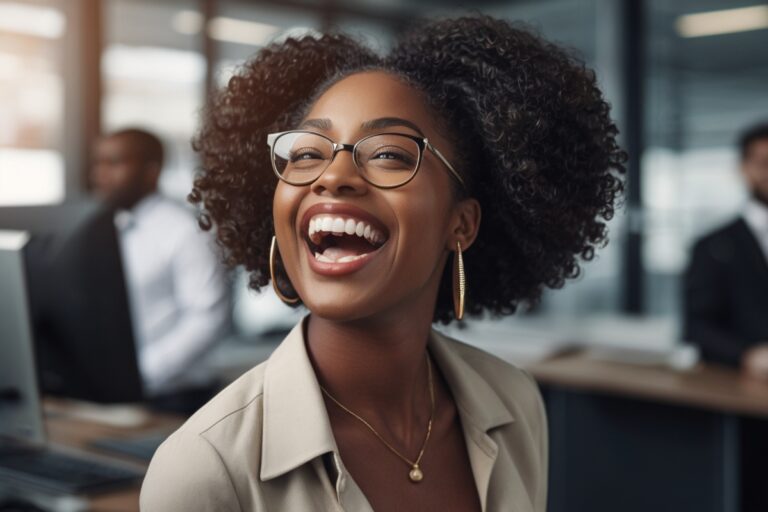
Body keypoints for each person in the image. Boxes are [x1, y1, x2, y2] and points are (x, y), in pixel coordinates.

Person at [140, 16, 625, 511]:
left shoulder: (515, 403)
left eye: (390, 154)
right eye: (307, 152)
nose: (333, 177)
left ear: (462, 224)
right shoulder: (204, 469)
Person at [91, 128, 231, 412]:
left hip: (177, 397)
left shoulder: (186, 232)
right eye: (98, 163)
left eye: (114, 163)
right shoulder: (105, 228)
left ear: (151, 171)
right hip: (119, 392)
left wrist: (140, 373)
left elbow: (207, 320)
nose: (100, 175)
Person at [683, 122, 768, 380]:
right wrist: (746, 356)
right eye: (764, 163)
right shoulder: (712, 246)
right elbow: (695, 326)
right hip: (738, 388)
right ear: (744, 169)